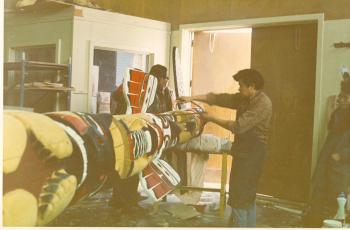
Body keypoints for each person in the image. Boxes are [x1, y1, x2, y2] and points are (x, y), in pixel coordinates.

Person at [179, 68, 272, 227]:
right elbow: (219, 98)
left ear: (252, 86)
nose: (238, 89)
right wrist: (191, 97)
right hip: (243, 150)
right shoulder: (245, 98)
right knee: (245, 198)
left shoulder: (262, 103)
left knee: (241, 198)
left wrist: (210, 118)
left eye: (241, 85)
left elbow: (238, 126)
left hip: (253, 153)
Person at [109, 64, 175, 215]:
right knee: (130, 167)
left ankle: (123, 198)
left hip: (144, 134)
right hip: (133, 133)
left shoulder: (162, 93)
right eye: (165, 78)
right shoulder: (143, 91)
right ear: (157, 78)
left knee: (136, 168)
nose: (166, 81)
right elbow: (118, 98)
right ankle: (126, 201)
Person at [302, 72, 350, 227]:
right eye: (340, 97)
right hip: (326, 165)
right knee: (318, 204)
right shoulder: (337, 114)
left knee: (338, 209)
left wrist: (341, 156)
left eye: (345, 97)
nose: (340, 100)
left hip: (342, 171)